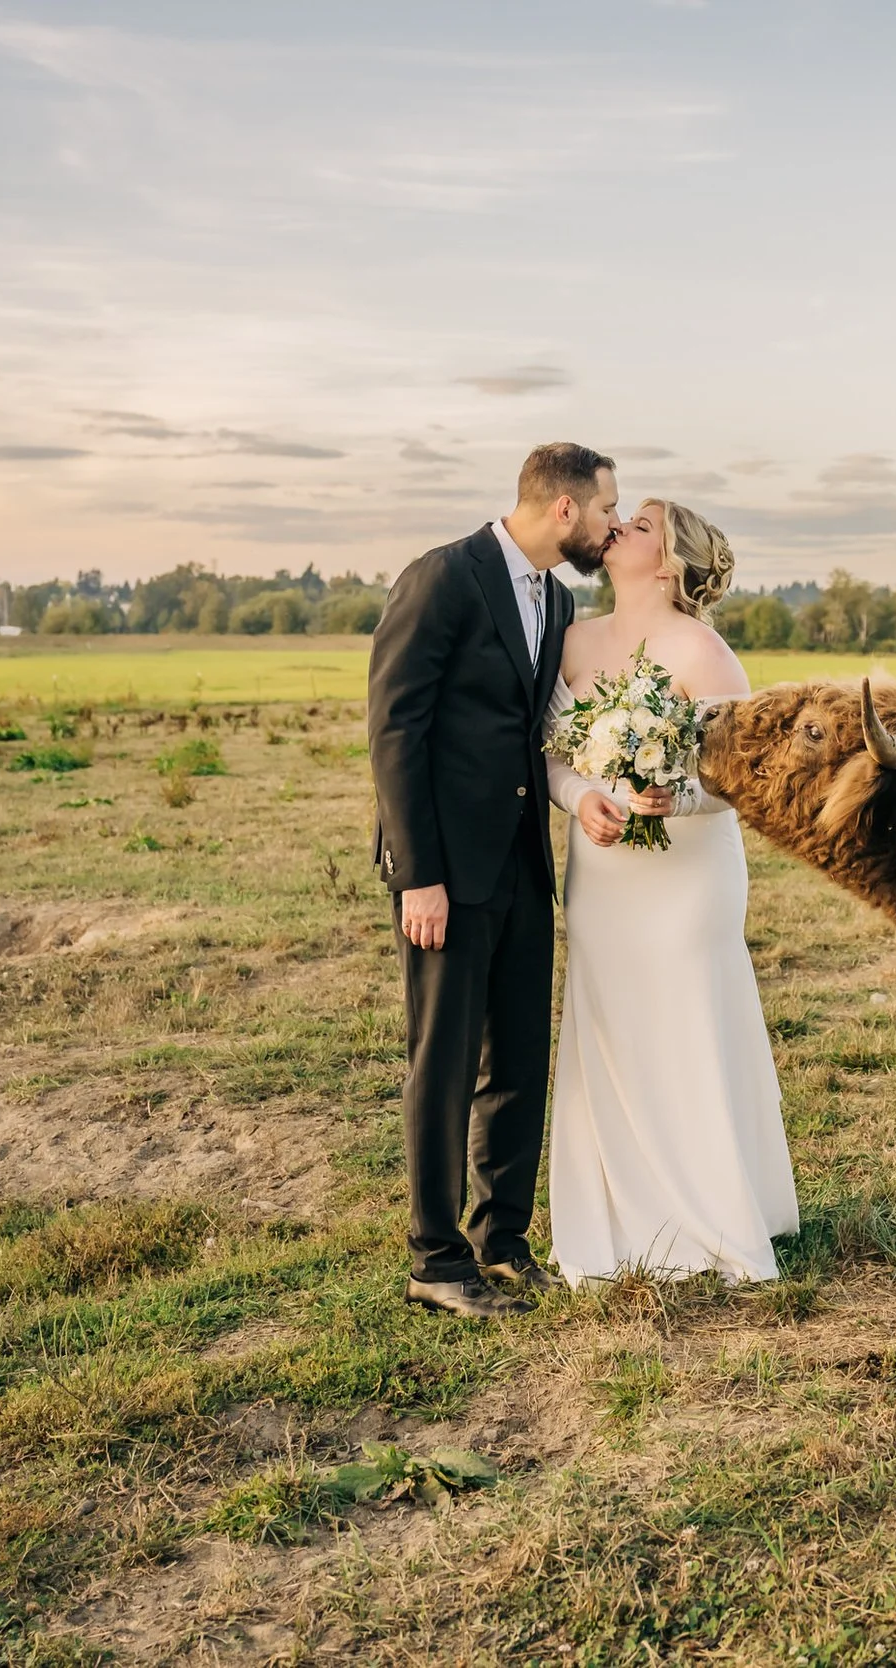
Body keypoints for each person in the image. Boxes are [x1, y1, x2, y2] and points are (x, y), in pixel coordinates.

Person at [365, 443, 670, 1319]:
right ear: (566, 509)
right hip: (445, 876)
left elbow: (537, 731)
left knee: (518, 1064)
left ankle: (503, 1243)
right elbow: (395, 730)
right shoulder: (443, 579)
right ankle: (436, 1257)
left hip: (522, 866)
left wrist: (588, 798)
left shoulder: (557, 596)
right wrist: (418, 876)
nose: (615, 524)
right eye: (608, 508)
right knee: (447, 1058)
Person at [543, 497, 799, 1284]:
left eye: (642, 523)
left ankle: (711, 1217)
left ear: (668, 564)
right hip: (603, 872)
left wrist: (673, 799)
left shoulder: (704, 651)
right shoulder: (573, 640)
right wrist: (579, 798)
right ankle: (615, 1221)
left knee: (684, 1027)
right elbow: (551, 756)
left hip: (687, 880)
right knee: (609, 1032)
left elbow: (739, 778)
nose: (619, 526)